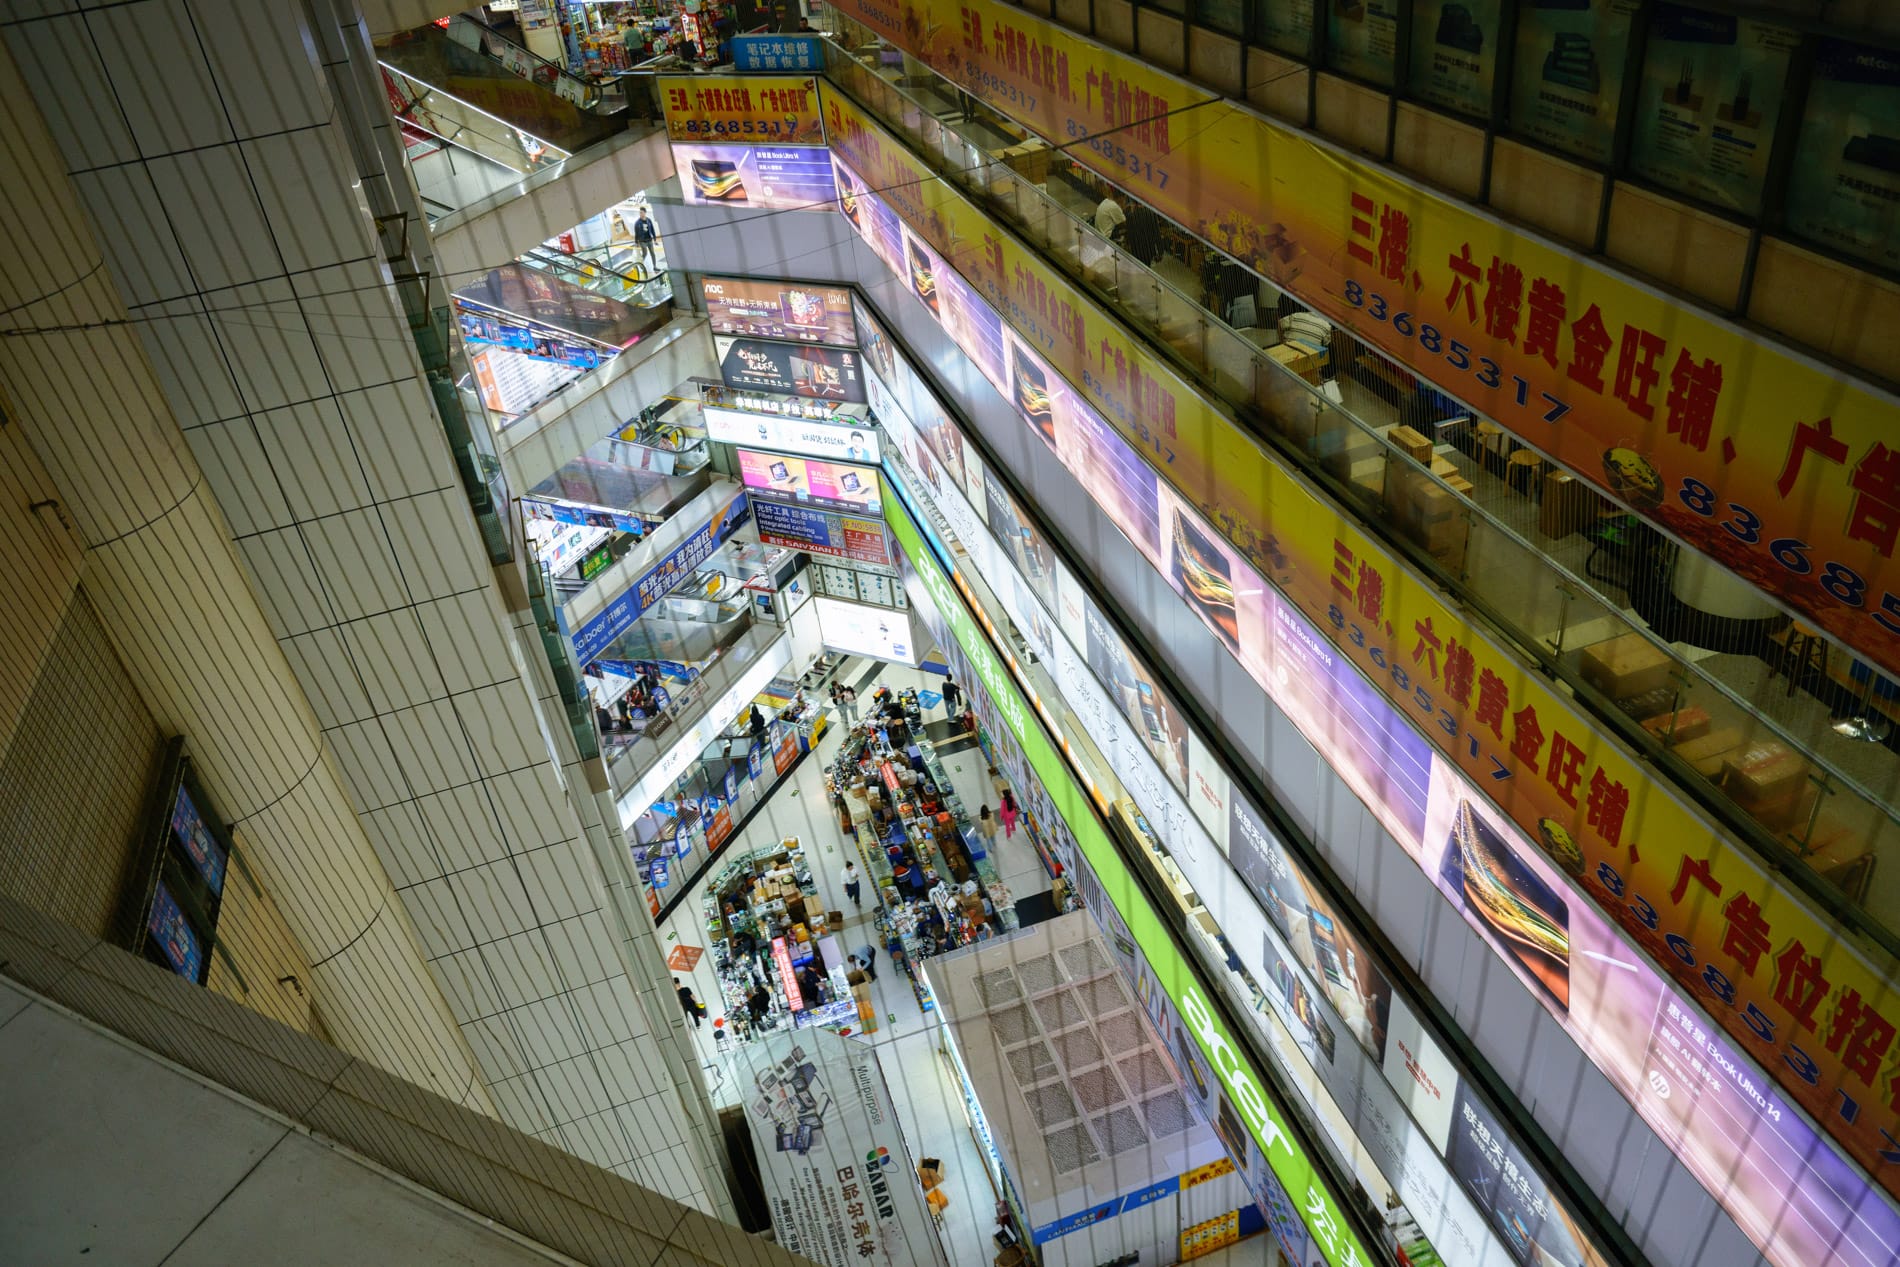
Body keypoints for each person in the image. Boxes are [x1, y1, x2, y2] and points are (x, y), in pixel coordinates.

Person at [633, 207, 659, 276]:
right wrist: (636, 242)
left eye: (641, 212)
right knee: (645, 253)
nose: (640, 214)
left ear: (645, 213)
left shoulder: (649, 220)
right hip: (642, 241)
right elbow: (636, 233)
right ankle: (641, 265)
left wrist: (655, 239)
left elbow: (652, 230)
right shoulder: (637, 223)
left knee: (652, 253)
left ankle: (655, 267)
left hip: (649, 240)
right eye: (640, 213)